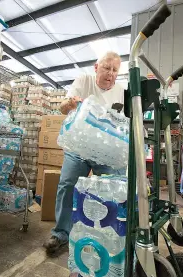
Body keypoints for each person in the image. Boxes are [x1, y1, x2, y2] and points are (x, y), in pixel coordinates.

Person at [43, 51, 126, 253]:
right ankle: (61, 233)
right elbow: (63, 108)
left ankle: (110, 233)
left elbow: (124, 124)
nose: (110, 74)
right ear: (96, 67)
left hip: (105, 150)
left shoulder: (122, 91)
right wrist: (70, 103)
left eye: (115, 70)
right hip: (79, 148)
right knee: (67, 184)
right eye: (106, 68)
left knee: (114, 187)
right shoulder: (84, 80)